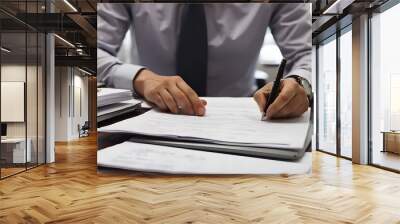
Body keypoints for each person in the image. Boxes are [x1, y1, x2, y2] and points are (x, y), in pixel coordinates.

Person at [97, 3, 312, 119]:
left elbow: (306, 53)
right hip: (150, 116)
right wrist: (139, 78)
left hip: (240, 121)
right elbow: (95, 51)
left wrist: (301, 83)